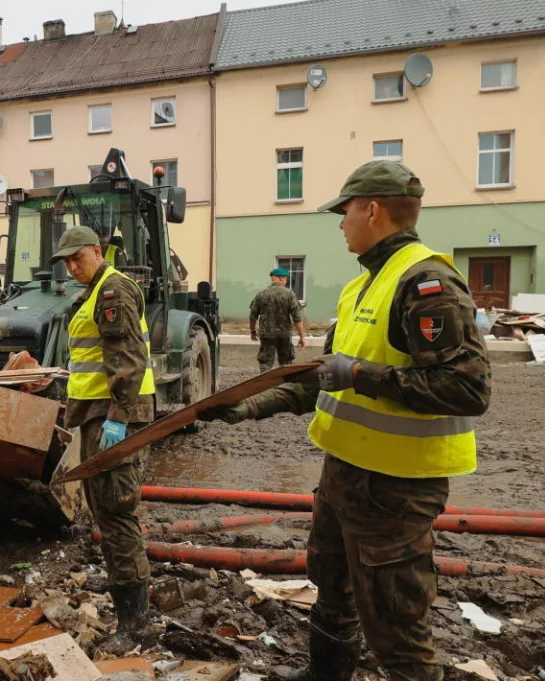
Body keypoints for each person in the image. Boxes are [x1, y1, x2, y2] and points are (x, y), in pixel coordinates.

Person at [200, 161, 491, 681]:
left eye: (345, 211)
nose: (340, 223)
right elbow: (322, 381)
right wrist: (248, 406)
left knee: (396, 625)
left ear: (372, 210)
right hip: (345, 475)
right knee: (332, 587)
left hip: (397, 489)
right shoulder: (362, 288)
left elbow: (467, 389)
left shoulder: (426, 283)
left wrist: (361, 374)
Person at [52, 225, 154, 650]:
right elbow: (89, 357)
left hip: (115, 419)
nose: (73, 267)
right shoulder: (94, 292)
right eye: (67, 262)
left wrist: (118, 417)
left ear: (98, 250)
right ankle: (126, 596)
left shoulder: (112, 291)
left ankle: (136, 627)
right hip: (99, 417)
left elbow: (128, 359)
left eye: (79, 257)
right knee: (107, 513)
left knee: (117, 514)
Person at [249, 267, 307, 371]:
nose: (286, 281)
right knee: (286, 363)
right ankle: (285, 385)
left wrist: (253, 331)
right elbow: (297, 317)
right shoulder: (290, 294)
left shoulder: (261, 294)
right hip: (284, 334)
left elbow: (253, 316)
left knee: (265, 363)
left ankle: (265, 385)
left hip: (267, 334)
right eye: (285, 278)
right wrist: (302, 336)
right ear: (281, 278)